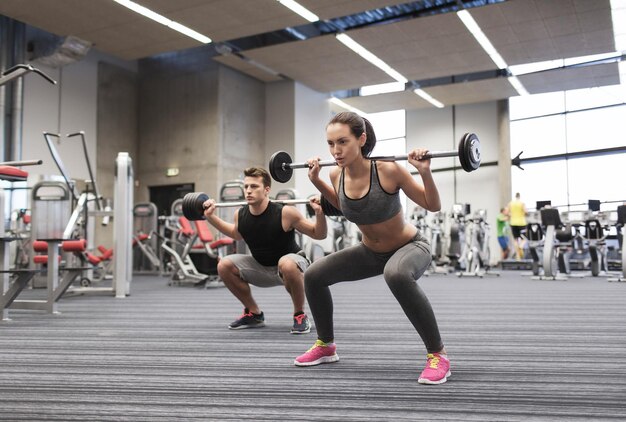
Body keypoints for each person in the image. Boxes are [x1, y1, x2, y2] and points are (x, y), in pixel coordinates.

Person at [296, 111, 450, 385]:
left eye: (342, 142)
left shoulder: (388, 170)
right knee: (314, 275)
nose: (335, 150)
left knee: (397, 274)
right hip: (371, 252)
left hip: (410, 246)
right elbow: (346, 208)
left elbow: (432, 204)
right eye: (331, 144)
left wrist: (425, 172)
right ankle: (326, 345)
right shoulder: (335, 174)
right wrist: (317, 181)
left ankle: (438, 355)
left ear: (362, 139)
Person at [202, 167, 327, 334]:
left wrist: (320, 213)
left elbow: (318, 234)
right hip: (261, 267)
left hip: (291, 266)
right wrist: (210, 217)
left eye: (254, 186)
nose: (248, 191)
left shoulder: (285, 212)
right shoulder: (241, 214)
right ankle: (254, 313)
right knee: (224, 265)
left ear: (267, 190)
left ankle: (300, 315)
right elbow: (235, 234)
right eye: (246, 187)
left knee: (287, 263)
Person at [507, 192, 527, 260]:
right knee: (524, 238)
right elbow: (525, 211)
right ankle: (521, 246)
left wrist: (512, 215)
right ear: (519, 196)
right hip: (521, 223)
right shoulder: (522, 203)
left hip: (513, 222)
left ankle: (518, 256)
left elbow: (507, 212)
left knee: (515, 239)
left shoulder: (510, 203)